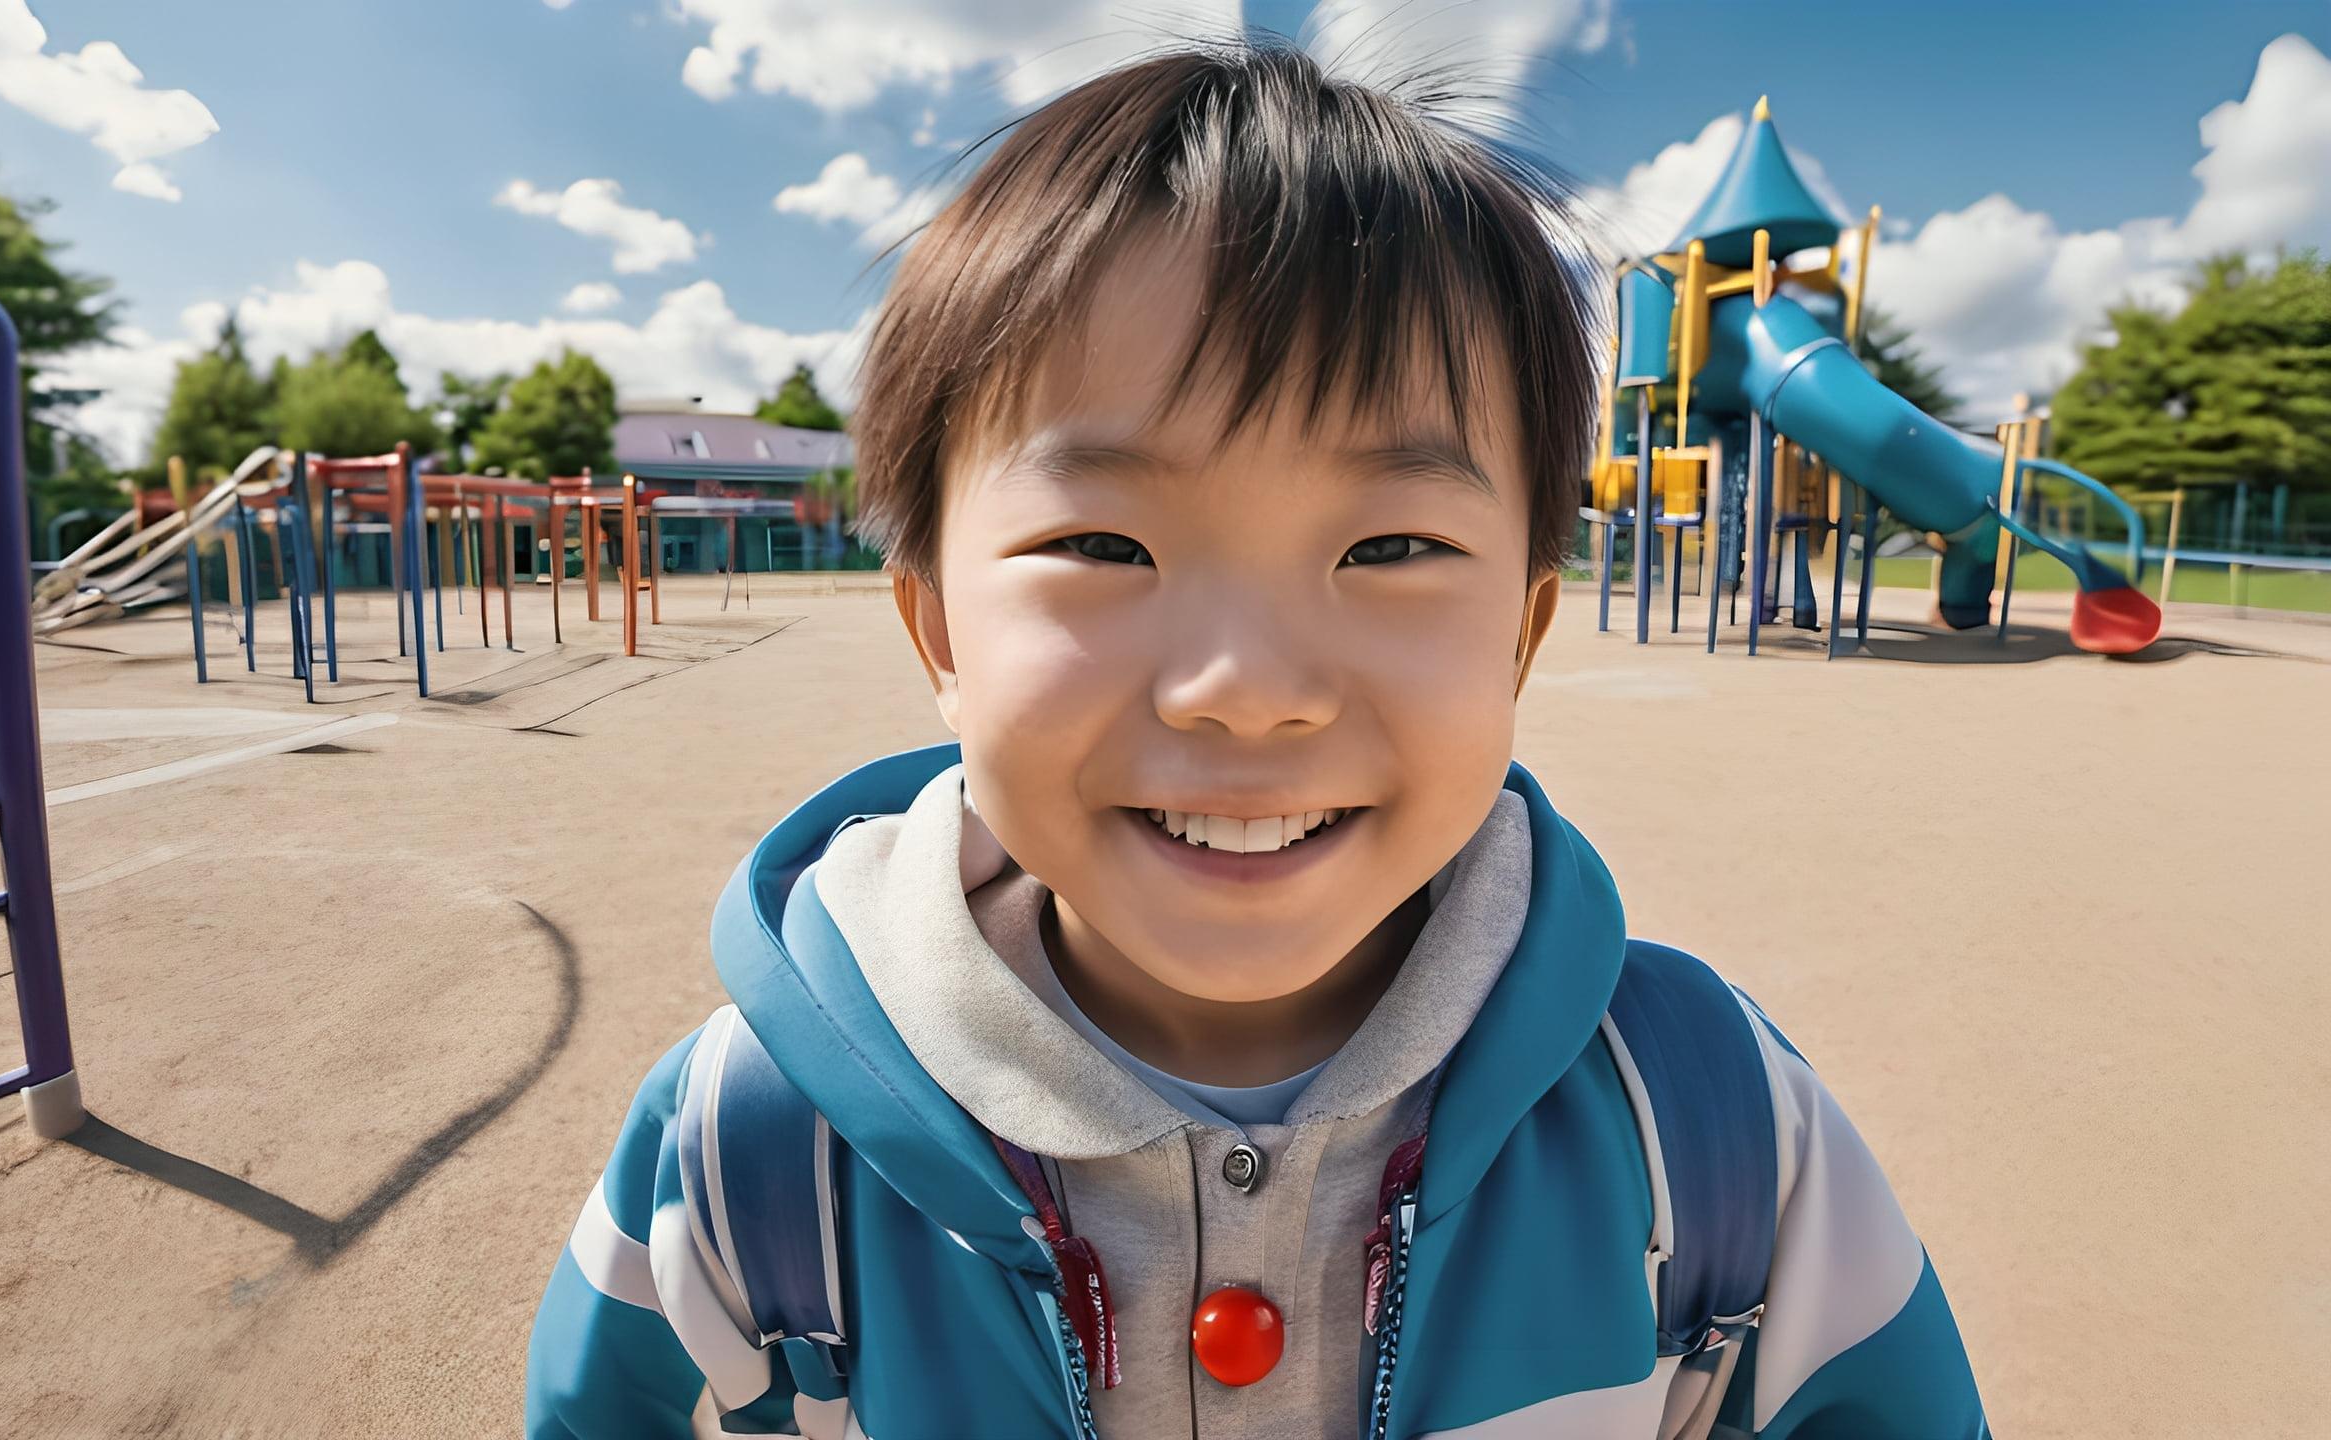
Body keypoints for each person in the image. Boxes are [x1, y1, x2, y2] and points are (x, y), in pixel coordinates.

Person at [525, 37, 1987, 1440]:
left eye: (1393, 544)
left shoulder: (1714, 1125)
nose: (1246, 688)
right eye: (1103, 540)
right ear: (942, 638)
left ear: (1524, 637)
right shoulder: (752, 1150)